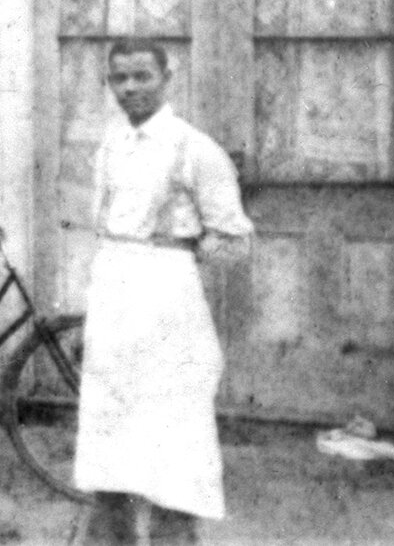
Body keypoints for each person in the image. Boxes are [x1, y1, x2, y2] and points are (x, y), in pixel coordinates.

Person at [74, 38, 253, 545]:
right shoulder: (111, 144)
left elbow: (236, 240)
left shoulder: (193, 147)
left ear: (167, 78)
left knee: (173, 429)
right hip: (113, 293)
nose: (129, 88)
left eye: (141, 76)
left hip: (169, 298)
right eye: (119, 78)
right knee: (109, 424)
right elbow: (103, 225)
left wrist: (180, 255)